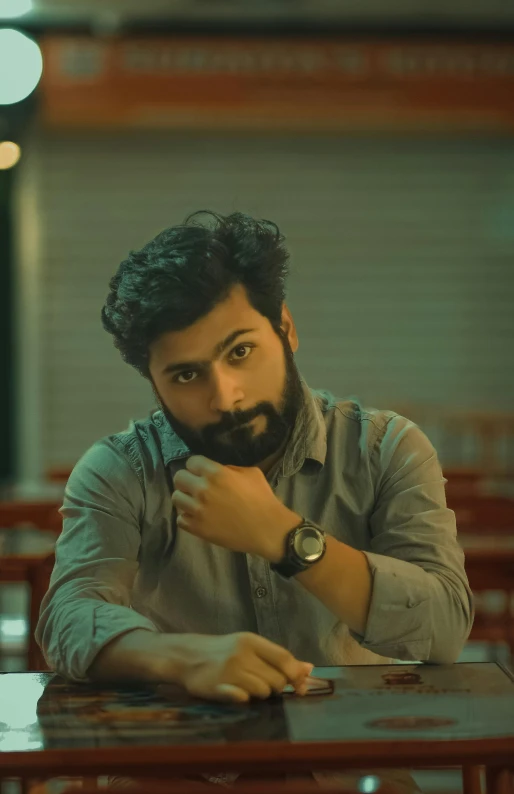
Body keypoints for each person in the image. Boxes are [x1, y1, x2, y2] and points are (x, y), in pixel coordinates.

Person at [36, 210, 473, 790]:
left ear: (285, 329)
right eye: (186, 376)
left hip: (348, 769)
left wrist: (284, 538)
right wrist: (183, 658)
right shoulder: (120, 469)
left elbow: (445, 626)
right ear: (154, 381)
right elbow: (67, 616)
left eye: (240, 352)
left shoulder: (385, 448)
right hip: (174, 773)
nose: (226, 396)